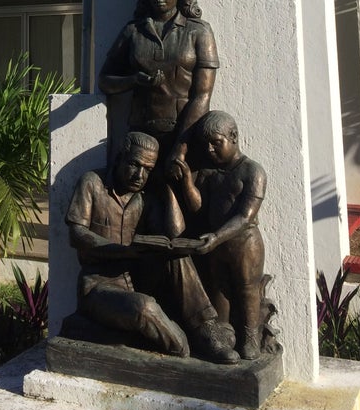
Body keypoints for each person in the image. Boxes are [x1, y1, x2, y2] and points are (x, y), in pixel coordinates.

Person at [66, 131, 239, 363]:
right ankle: (183, 345)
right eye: (135, 165)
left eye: (148, 169)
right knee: (144, 308)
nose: (140, 175)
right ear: (120, 158)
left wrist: (166, 187)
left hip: (137, 279)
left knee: (177, 257)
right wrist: (120, 250)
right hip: (99, 286)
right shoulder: (92, 183)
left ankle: (206, 331)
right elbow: (77, 234)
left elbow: (174, 234)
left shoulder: (144, 198)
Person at [98, 0, 218, 178]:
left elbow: (202, 95)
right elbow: (105, 80)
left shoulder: (198, 31)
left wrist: (181, 149)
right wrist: (133, 80)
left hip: (185, 135)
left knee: (180, 203)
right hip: (141, 139)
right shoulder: (133, 31)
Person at [176, 111, 267, 360]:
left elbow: (245, 216)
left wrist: (217, 236)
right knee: (218, 286)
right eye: (206, 144)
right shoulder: (208, 173)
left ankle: (250, 336)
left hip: (244, 243)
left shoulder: (252, 172)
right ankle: (225, 332)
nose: (210, 149)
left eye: (216, 142)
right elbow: (198, 208)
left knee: (247, 289)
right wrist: (187, 182)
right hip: (215, 243)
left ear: (233, 137)